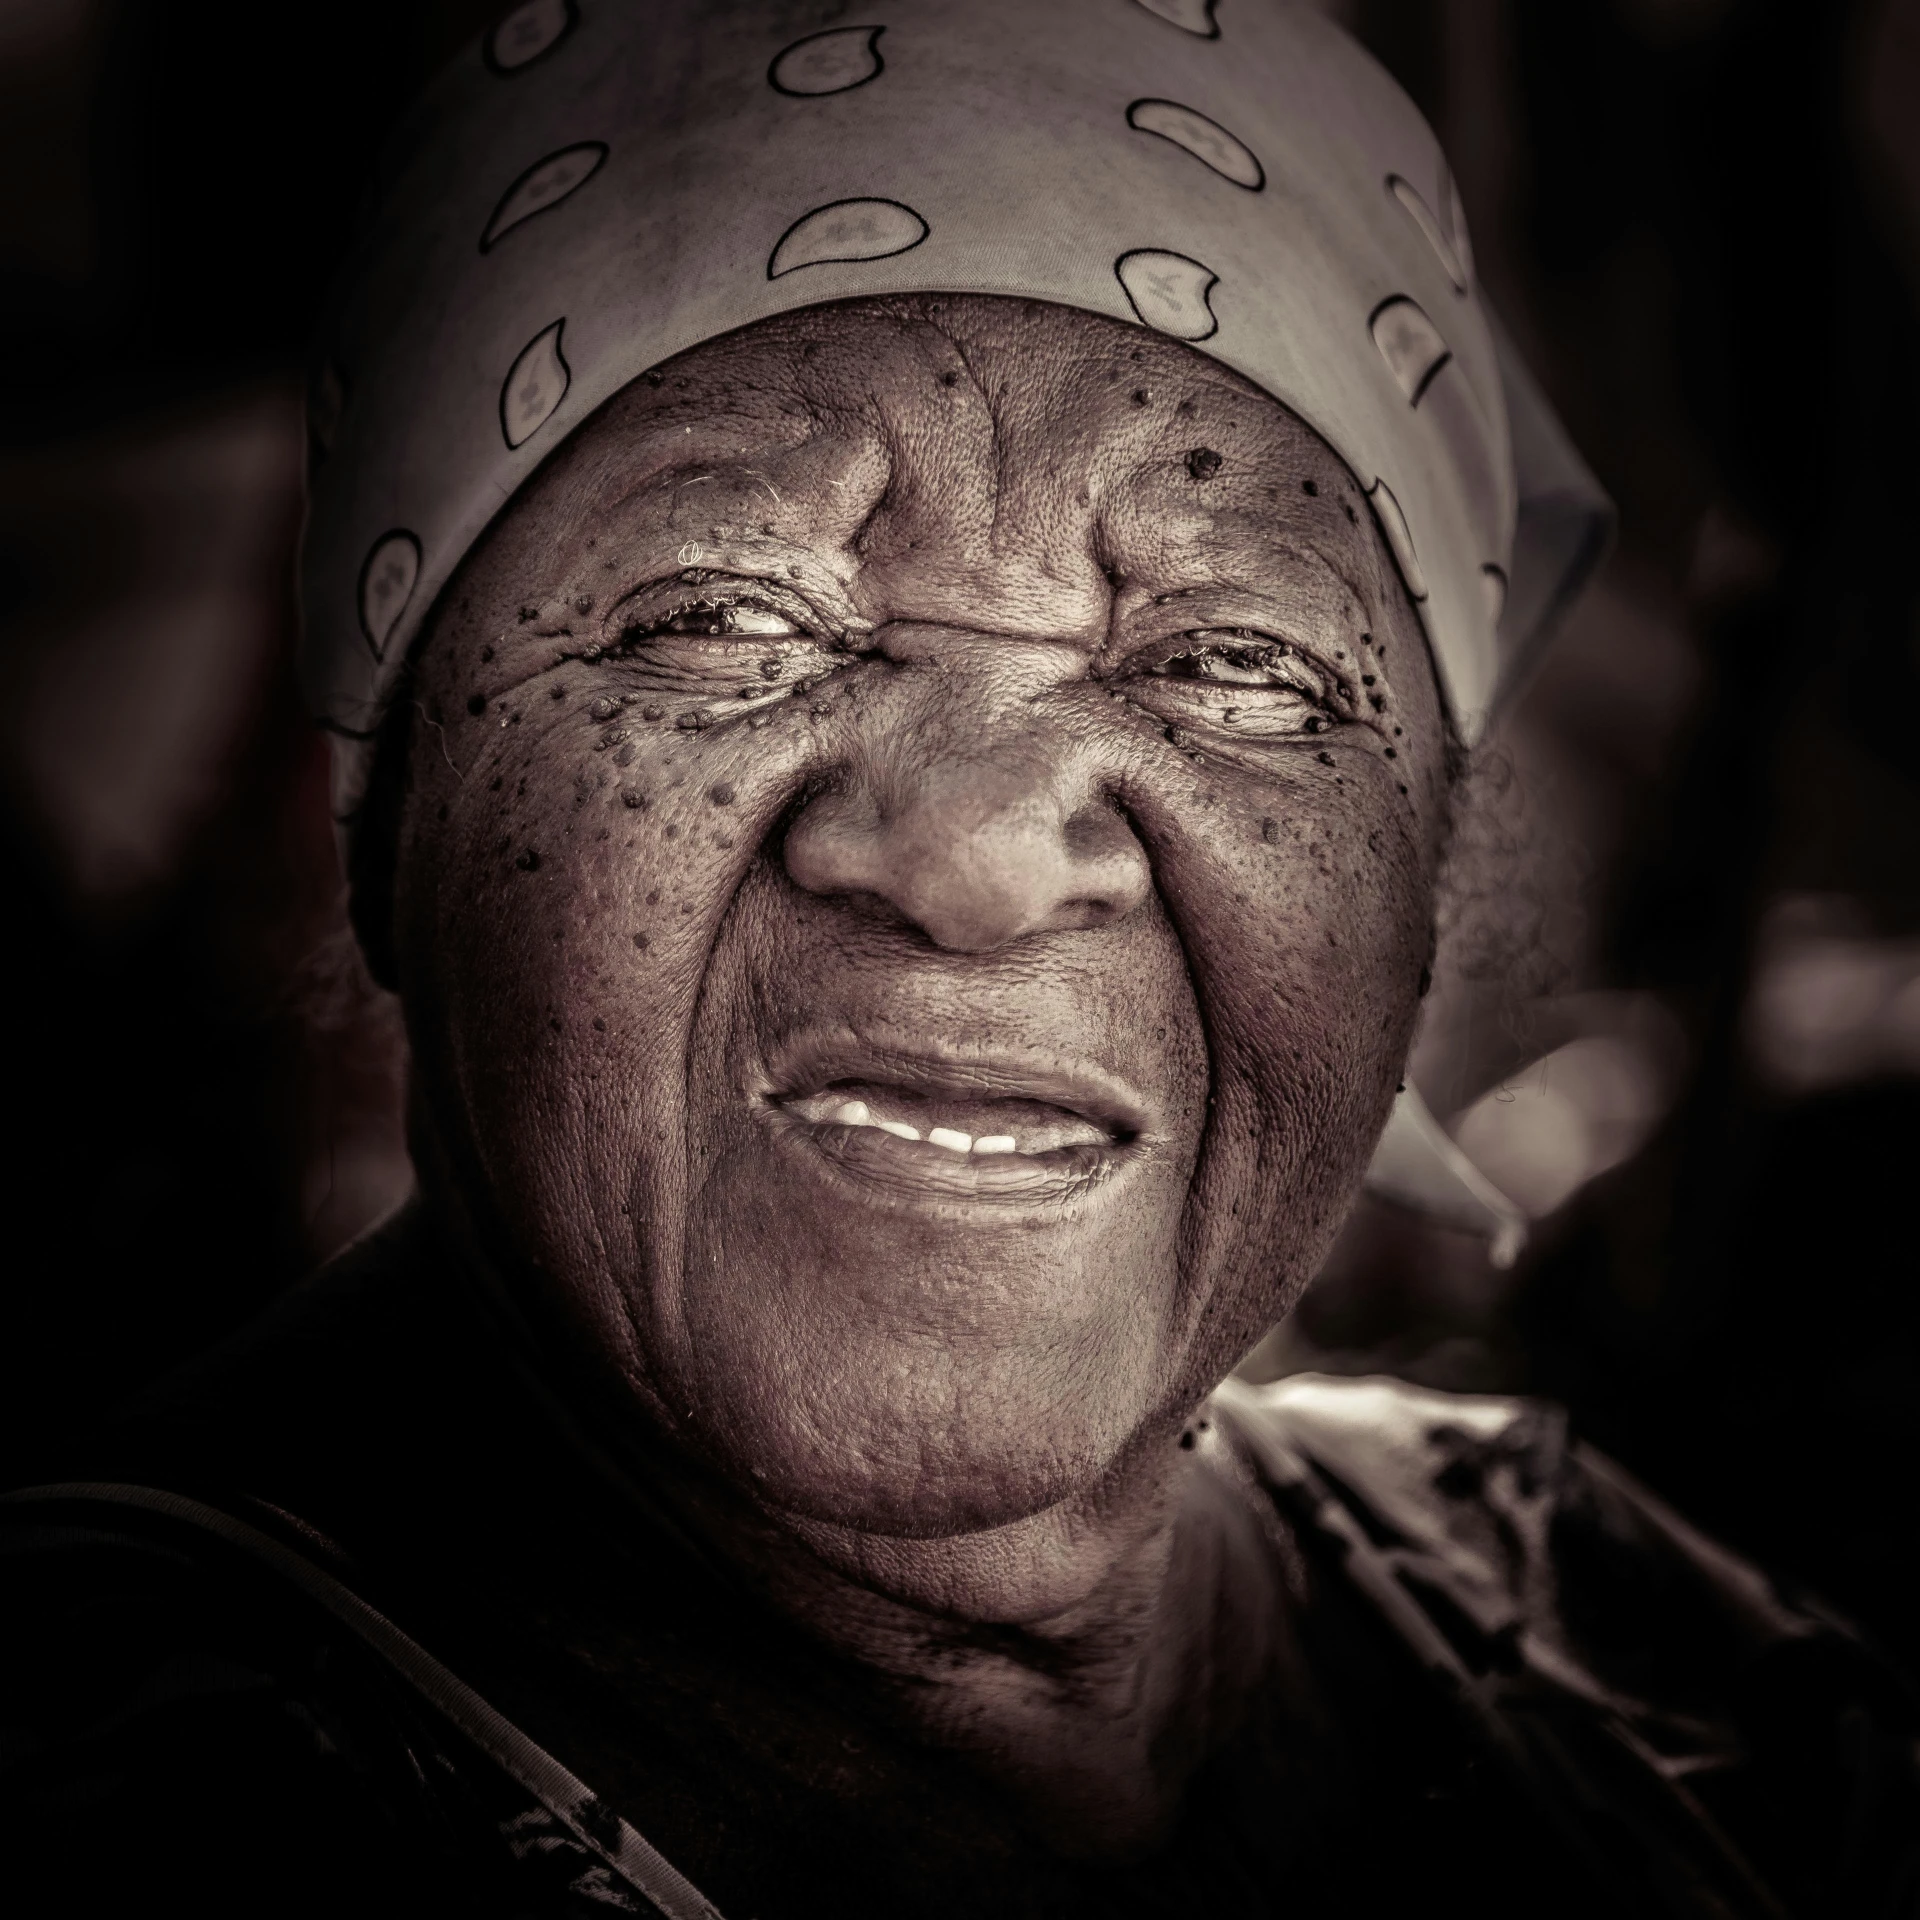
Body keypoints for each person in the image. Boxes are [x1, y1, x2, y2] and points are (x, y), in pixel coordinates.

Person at [3, 4, 1914, 1915]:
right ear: (391, 817)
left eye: (1233, 662)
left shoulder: (1611, 1627)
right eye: (729, 615)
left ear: (1420, 880)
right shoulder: (134, 1786)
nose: (983, 862)